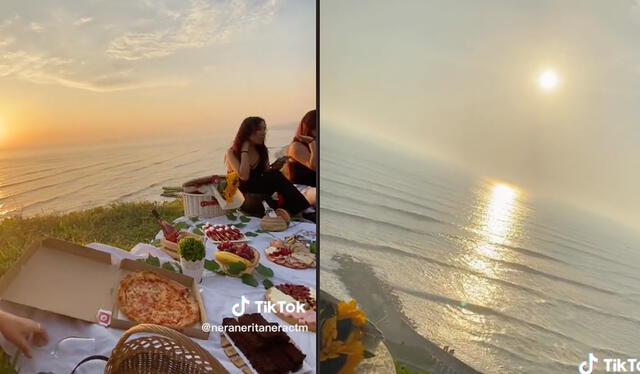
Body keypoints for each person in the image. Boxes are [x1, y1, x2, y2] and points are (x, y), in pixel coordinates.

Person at [225, 116, 310, 217]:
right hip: (244, 194)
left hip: (259, 188)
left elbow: (266, 172)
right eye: (258, 129)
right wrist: (244, 151)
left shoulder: (261, 150)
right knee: (263, 200)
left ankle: (302, 209)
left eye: (264, 129)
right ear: (247, 132)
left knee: (275, 174)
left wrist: (277, 165)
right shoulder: (232, 152)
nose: (263, 132)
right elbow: (244, 176)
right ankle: (294, 210)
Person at [286, 110, 317, 206]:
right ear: (308, 128)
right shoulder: (296, 146)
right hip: (301, 189)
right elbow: (314, 166)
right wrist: (312, 142)